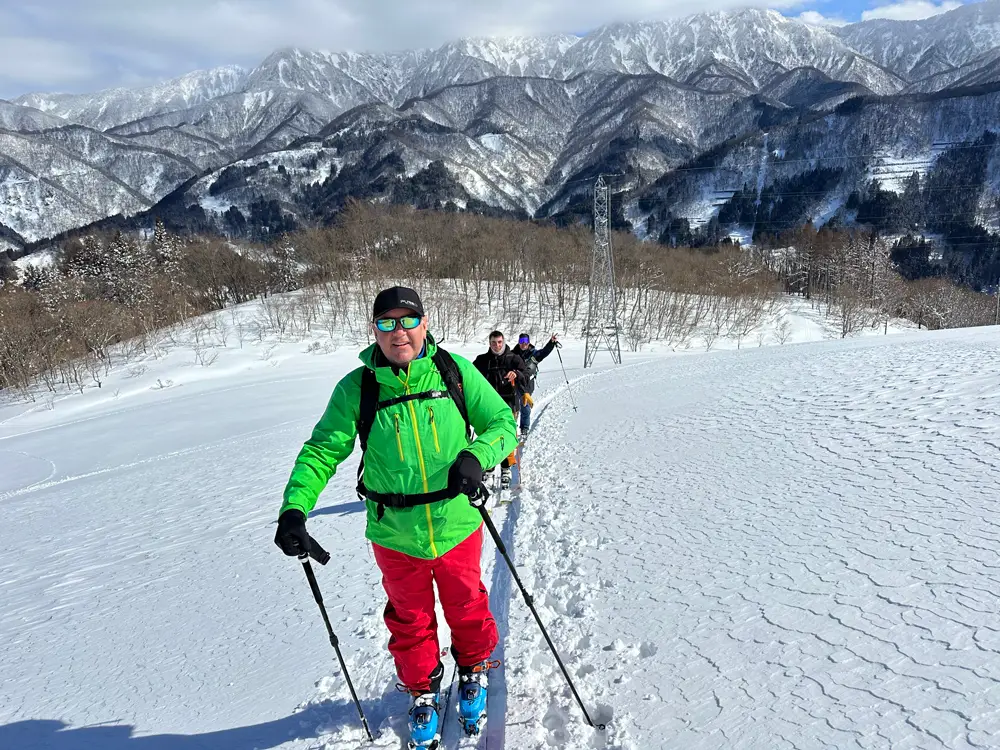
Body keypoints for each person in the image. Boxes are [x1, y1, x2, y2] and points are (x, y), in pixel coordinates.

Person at [273, 286, 517, 749]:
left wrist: (477, 456)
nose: (398, 332)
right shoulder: (358, 388)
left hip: (456, 523)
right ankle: (422, 689)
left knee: (467, 604)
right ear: (374, 330)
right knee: (409, 619)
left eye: (407, 321)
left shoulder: (454, 372)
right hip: (393, 532)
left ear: (425, 325)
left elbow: (502, 423)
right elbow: (323, 450)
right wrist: (294, 509)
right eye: (386, 323)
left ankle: (474, 669)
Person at [472, 331, 527, 488]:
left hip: (508, 403)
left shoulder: (514, 359)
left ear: (504, 342)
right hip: (488, 406)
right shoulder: (482, 361)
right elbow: (469, 375)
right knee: (488, 436)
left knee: (506, 436)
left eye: (500, 342)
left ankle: (506, 468)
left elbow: (526, 373)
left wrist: (516, 373)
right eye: (494, 342)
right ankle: (489, 469)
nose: (497, 345)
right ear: (489, 343)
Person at [510, 332, 558, 438]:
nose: (523, 344)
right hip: (514, 384)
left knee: (525, 405)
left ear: (528, 342)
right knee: (513, 407)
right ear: (518, 342)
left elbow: (544, 352)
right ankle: (511, 429)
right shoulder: (513, 354)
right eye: (521, 341)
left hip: (527, 385)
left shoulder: (533, 354)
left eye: (525, 341)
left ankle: (524, 428)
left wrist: (551, 343)